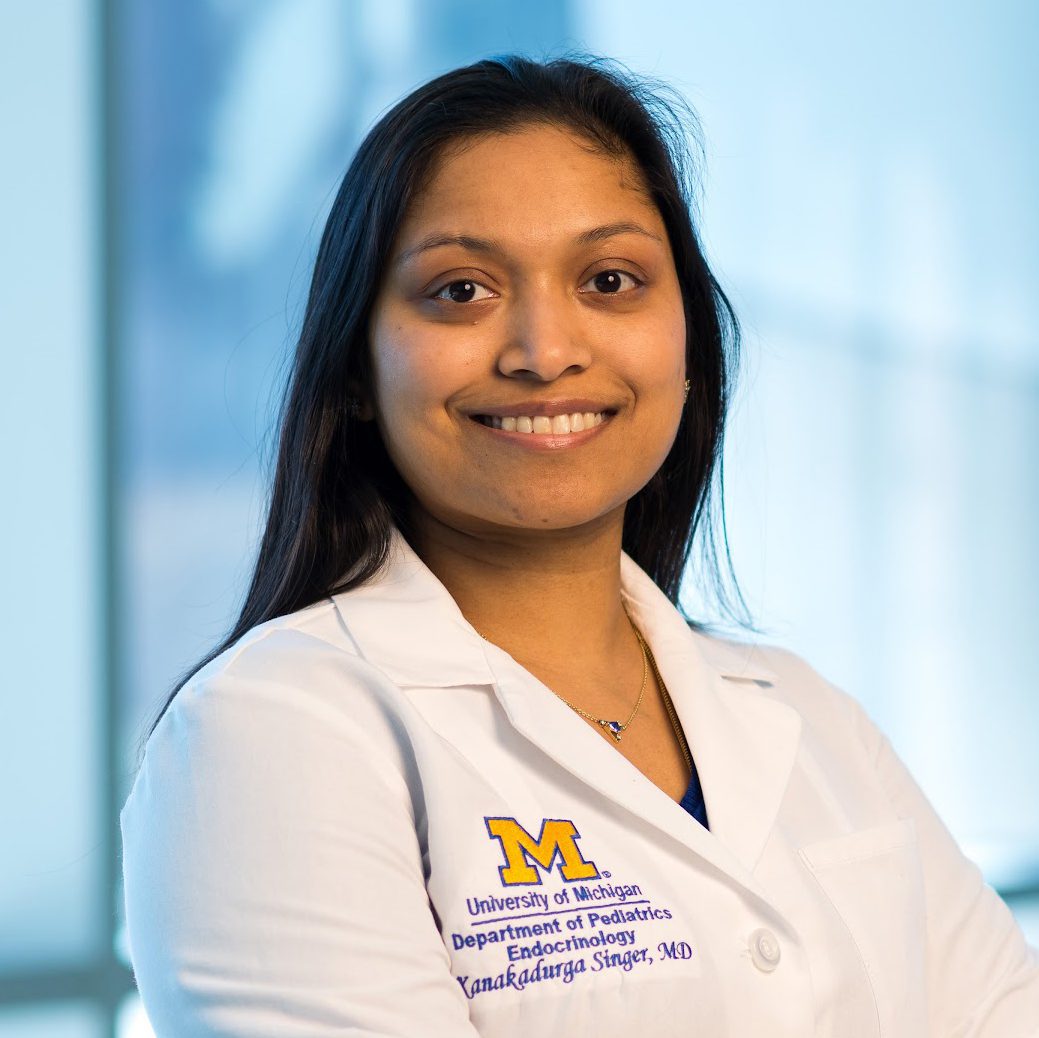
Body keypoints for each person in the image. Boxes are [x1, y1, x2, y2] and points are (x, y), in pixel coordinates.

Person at [120, 55, 1039, 1037]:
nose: (544, 350)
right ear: (356, 368)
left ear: (686, 342)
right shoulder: (271, 735)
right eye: (460, 290)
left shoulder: (808, 716)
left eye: (610, 280)